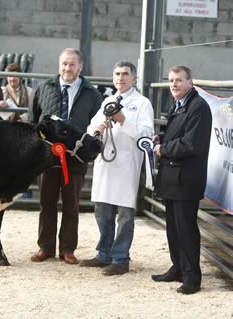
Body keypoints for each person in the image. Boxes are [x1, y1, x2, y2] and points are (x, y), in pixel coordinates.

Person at [29, 48, 102, 265]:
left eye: (71, 64)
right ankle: (46, 247)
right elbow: (33, 120)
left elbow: (96, 126)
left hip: (75, 159)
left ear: (80, 66)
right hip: (47, 158)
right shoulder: (44, 88)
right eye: (64, 64)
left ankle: (67, 248)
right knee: (47, 202)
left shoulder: (91, 94)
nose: (67, 68)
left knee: (71, 204)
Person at [81, 61, 154, 275]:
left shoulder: (142, 103)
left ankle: (120, 258)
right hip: (106, 163)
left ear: (134, 78)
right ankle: (103, 254)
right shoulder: (109, 100)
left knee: (124, 215)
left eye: (125, 74)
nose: (120, 78)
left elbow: (146, 134)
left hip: (126, 165)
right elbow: (90, 127)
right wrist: (97, 128)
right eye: (117, 74)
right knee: (102, 211)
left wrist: (123, 121)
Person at [151, 65, 212, 294]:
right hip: (172, 178)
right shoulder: (179, 104)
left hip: (186, 179)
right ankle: (177, 268)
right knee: (173, 229)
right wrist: (163, 137)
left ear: (190, 82)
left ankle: (192, 277)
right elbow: (178, 134)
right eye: (171, 80)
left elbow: (192, 143)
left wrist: (163, 148)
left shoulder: (199, 107)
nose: (174, 85)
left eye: (179, 80)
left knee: (186, 228)